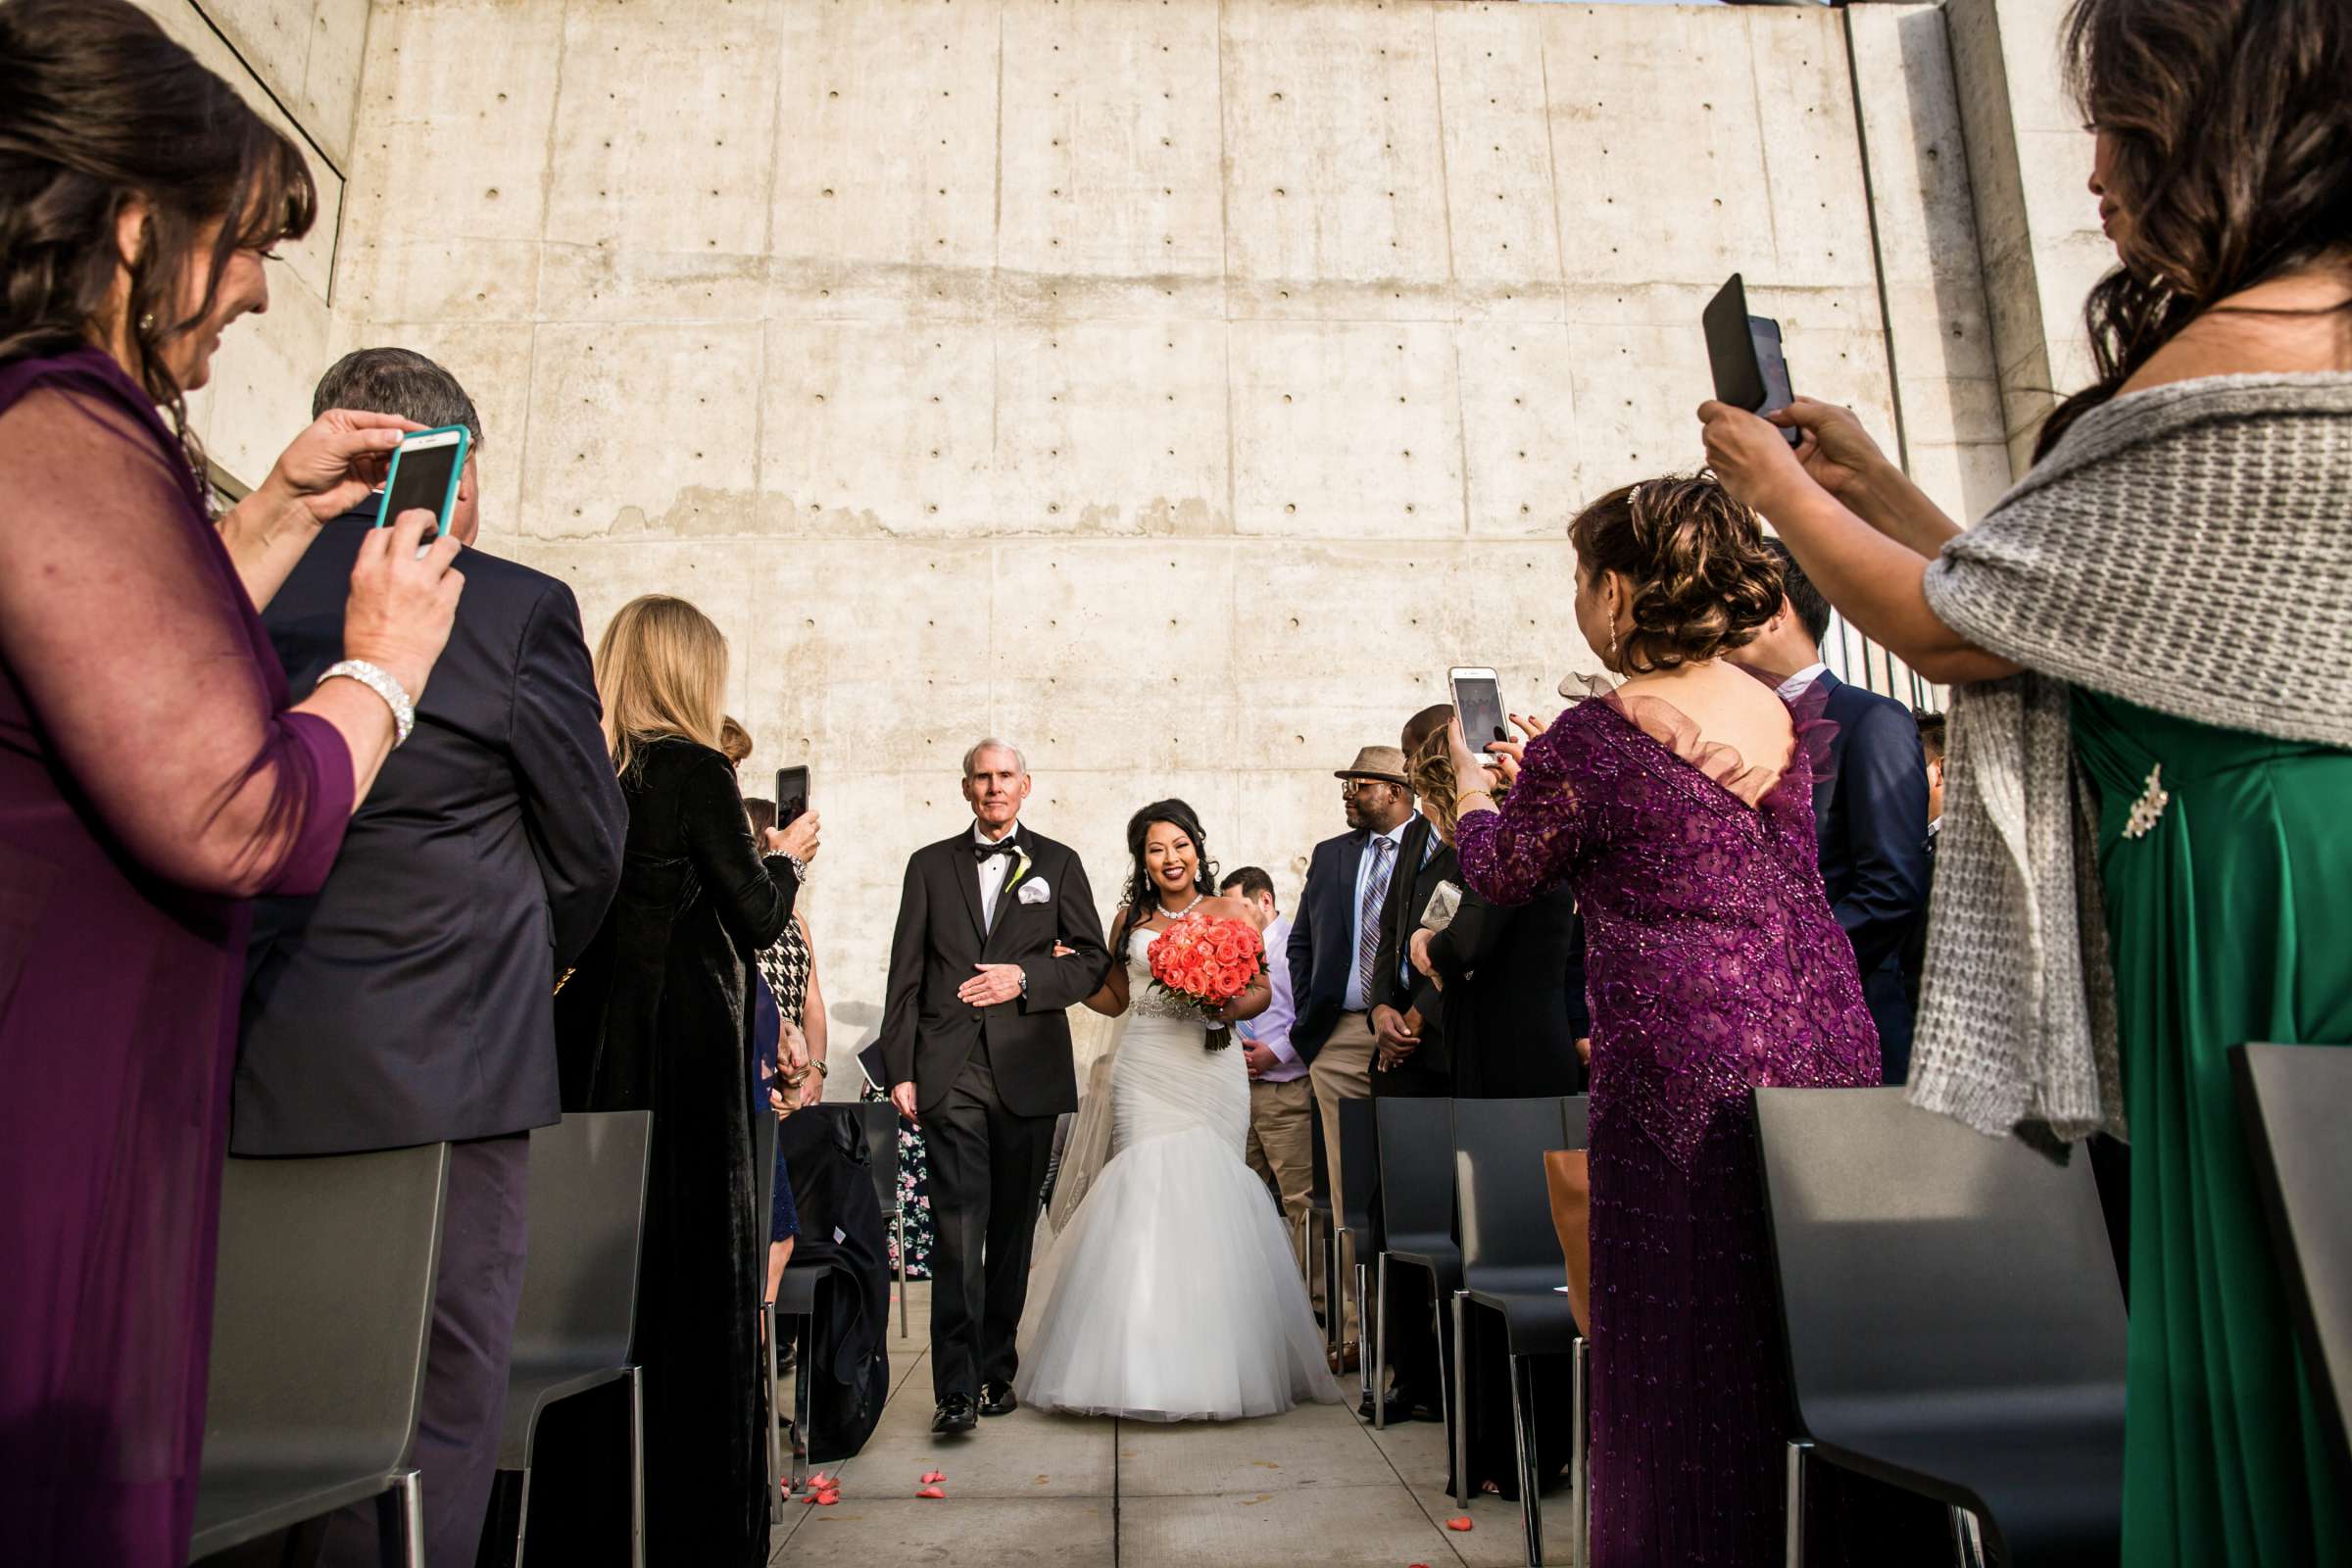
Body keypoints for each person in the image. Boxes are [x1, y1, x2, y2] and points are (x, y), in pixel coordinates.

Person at [1698, 2, 2350, 1558]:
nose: (2099, 183)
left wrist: (1782, 489)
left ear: (2212, 132)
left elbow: (1965, 632)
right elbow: (2066, 601)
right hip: (2304, 849)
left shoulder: (2229, 353)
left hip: (2243, 878)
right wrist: (1882, 487)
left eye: (2118, 136)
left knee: (2269, 1313)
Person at [0, 6, 464, 1562]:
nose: (262, 285)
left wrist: (269, 510)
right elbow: (233, 807)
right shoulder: (55, 423)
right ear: (138, 228)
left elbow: (121, 647)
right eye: (243, 240)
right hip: (43, 1107)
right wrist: (382, 668)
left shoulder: (57, 431)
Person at [1446, 473, 1888, 1564]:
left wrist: (1467, 795)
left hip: (1685, 1051)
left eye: (1584, 576)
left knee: (1682, 1333)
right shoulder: (1774, 706)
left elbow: (1506, 869)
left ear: (1621, 588)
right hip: (1822, 1031)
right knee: (1799, 1322)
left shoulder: (1593, 738)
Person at [234, 348, 624, 1568]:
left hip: (241, 1061)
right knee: (430, 1403)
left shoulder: (226, 590)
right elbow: (588, 841)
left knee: (249, 1393)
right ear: (454, 476)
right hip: (444, 1074)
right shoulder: (508, 604)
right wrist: (532, 960)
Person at [552, 595, 817, 1567]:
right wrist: (785, 861)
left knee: (593, 1288)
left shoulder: (590, 767)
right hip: (682, 1049)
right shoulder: (697, 768)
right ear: (689, 672)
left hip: (586, 1045)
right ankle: (695, 1517)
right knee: (697, 1278)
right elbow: (752, 914)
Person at [1016, 802, 1343, 1421]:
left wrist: (1222, 1001)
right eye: (1156, 849)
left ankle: (1212, 1364)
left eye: (1180, 845)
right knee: (1144, 1193)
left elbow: (1261, 990)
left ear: (1198, 846)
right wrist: (1073, 974)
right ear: (1142, 859)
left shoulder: (1230, 911)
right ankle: (1137, 1363)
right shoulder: (1127, 920)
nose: (1171, 858)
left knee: (1210, 1196)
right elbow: (1116, 1000)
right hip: (1146, 1068)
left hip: (1210, 1065)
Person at [877, 739, 1108, 1436]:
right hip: (951, 1072)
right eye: (981, 777)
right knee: (955, 1229)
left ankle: (994, 1370)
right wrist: (901, 1068)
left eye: (1004, 776)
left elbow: (1093, 962)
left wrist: (1027, 978)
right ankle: (953, 1388)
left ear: (1026, 785)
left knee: (1010, 1232)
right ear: (965, 788)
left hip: (1029, 1069)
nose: (993, 787)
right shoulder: (929, 866)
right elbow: (905, 973)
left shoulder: (1058, 864)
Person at [1741, 539, 1932, 1083]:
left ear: (1777, 606)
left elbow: (1890, 891)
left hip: (1856, 1029)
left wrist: (1774, 962)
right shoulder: (1719, 734)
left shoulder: (1870, 720)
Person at [1286, 744, 1418, 1359]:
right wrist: (1311, 1026)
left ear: (1393, 790)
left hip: (1414, 1039)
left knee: (1407, 1185)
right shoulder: (1331, 855)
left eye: (1357, 784)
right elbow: (1302, 941)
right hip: (1338, 1036)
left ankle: (1413, 1334)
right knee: (1344, 1189)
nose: (1347, 794)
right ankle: (1356, 1330)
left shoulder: (1434, 848)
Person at [1217, 867, 1315, 1254]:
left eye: (1239, 906)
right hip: (1240, 1094)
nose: (1232, 916)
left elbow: (1308, 1011)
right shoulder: (1236, 947)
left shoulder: (1295, 945)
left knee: (1300, 1201)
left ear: (1265, 901)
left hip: (1286, 1092)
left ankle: (1319, 1303)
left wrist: (1275, 1051)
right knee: (1238, 1200)